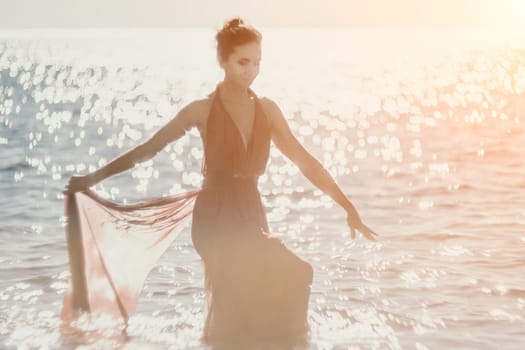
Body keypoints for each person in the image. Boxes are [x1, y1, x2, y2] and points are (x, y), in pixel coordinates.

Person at [62, 17, 377, 346]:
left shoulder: (267, 111)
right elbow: (148, 150)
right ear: (223, 61)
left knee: (256, 299)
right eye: (243, 62)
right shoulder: (202, 110)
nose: (251, 71)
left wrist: (347, 204)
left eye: (257, 63)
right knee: (295, 273)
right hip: (215, 219)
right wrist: (91, 178)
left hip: (251, 215)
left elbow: (304, 160)